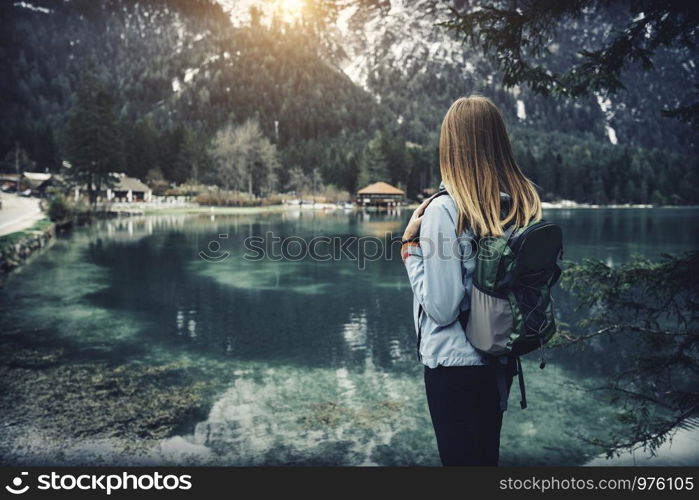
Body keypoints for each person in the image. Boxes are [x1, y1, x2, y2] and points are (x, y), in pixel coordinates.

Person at [400, 95, 543, 466]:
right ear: (497, 143)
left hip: (453, 369)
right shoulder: (515, 206)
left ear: (451, 146)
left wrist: (409, 251)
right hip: (498, 360)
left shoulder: (444, 210)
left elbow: (442, 309)